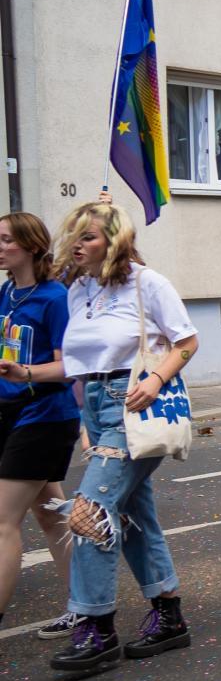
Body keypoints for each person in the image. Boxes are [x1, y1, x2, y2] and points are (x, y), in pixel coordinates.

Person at [45, 200, 200, 676]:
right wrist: (83, 416)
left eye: (87, 237)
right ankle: (169, 615)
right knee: (132, 514)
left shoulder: (146, 283)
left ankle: (96, 627)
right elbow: (79, 366)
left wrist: (154, 380)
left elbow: (187, 341)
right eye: (72, 236)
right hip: (97, 401)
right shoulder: (79, 290)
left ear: (112, 241)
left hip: (135, 402)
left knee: (90, 512)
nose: (76, 245)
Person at [0, 213, 79, 633]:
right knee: (52, 514)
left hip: (46, 416)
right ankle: (87, 604)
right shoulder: (7, 292)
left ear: (30, 246)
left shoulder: (54, 297)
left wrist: (25, 373)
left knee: (3, 521)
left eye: (6, 240)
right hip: (11, 413)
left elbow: (70, 366)